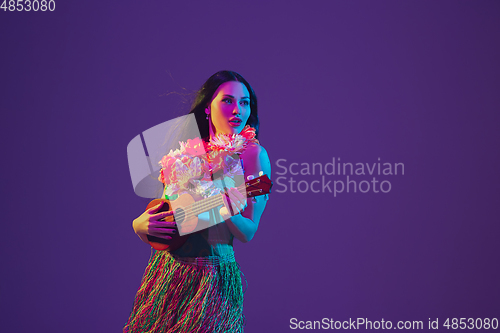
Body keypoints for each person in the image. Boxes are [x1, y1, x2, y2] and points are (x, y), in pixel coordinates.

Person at [124, 70, 271, 333]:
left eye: (245, 102)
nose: (238, 109)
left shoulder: (253, 155)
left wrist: (223, 207)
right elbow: (170, 211)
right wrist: (139, 224)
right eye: (228, 100)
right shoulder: (187, 152)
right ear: (207, 108)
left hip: (211, 282)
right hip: (169, 274)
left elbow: (248, 231)